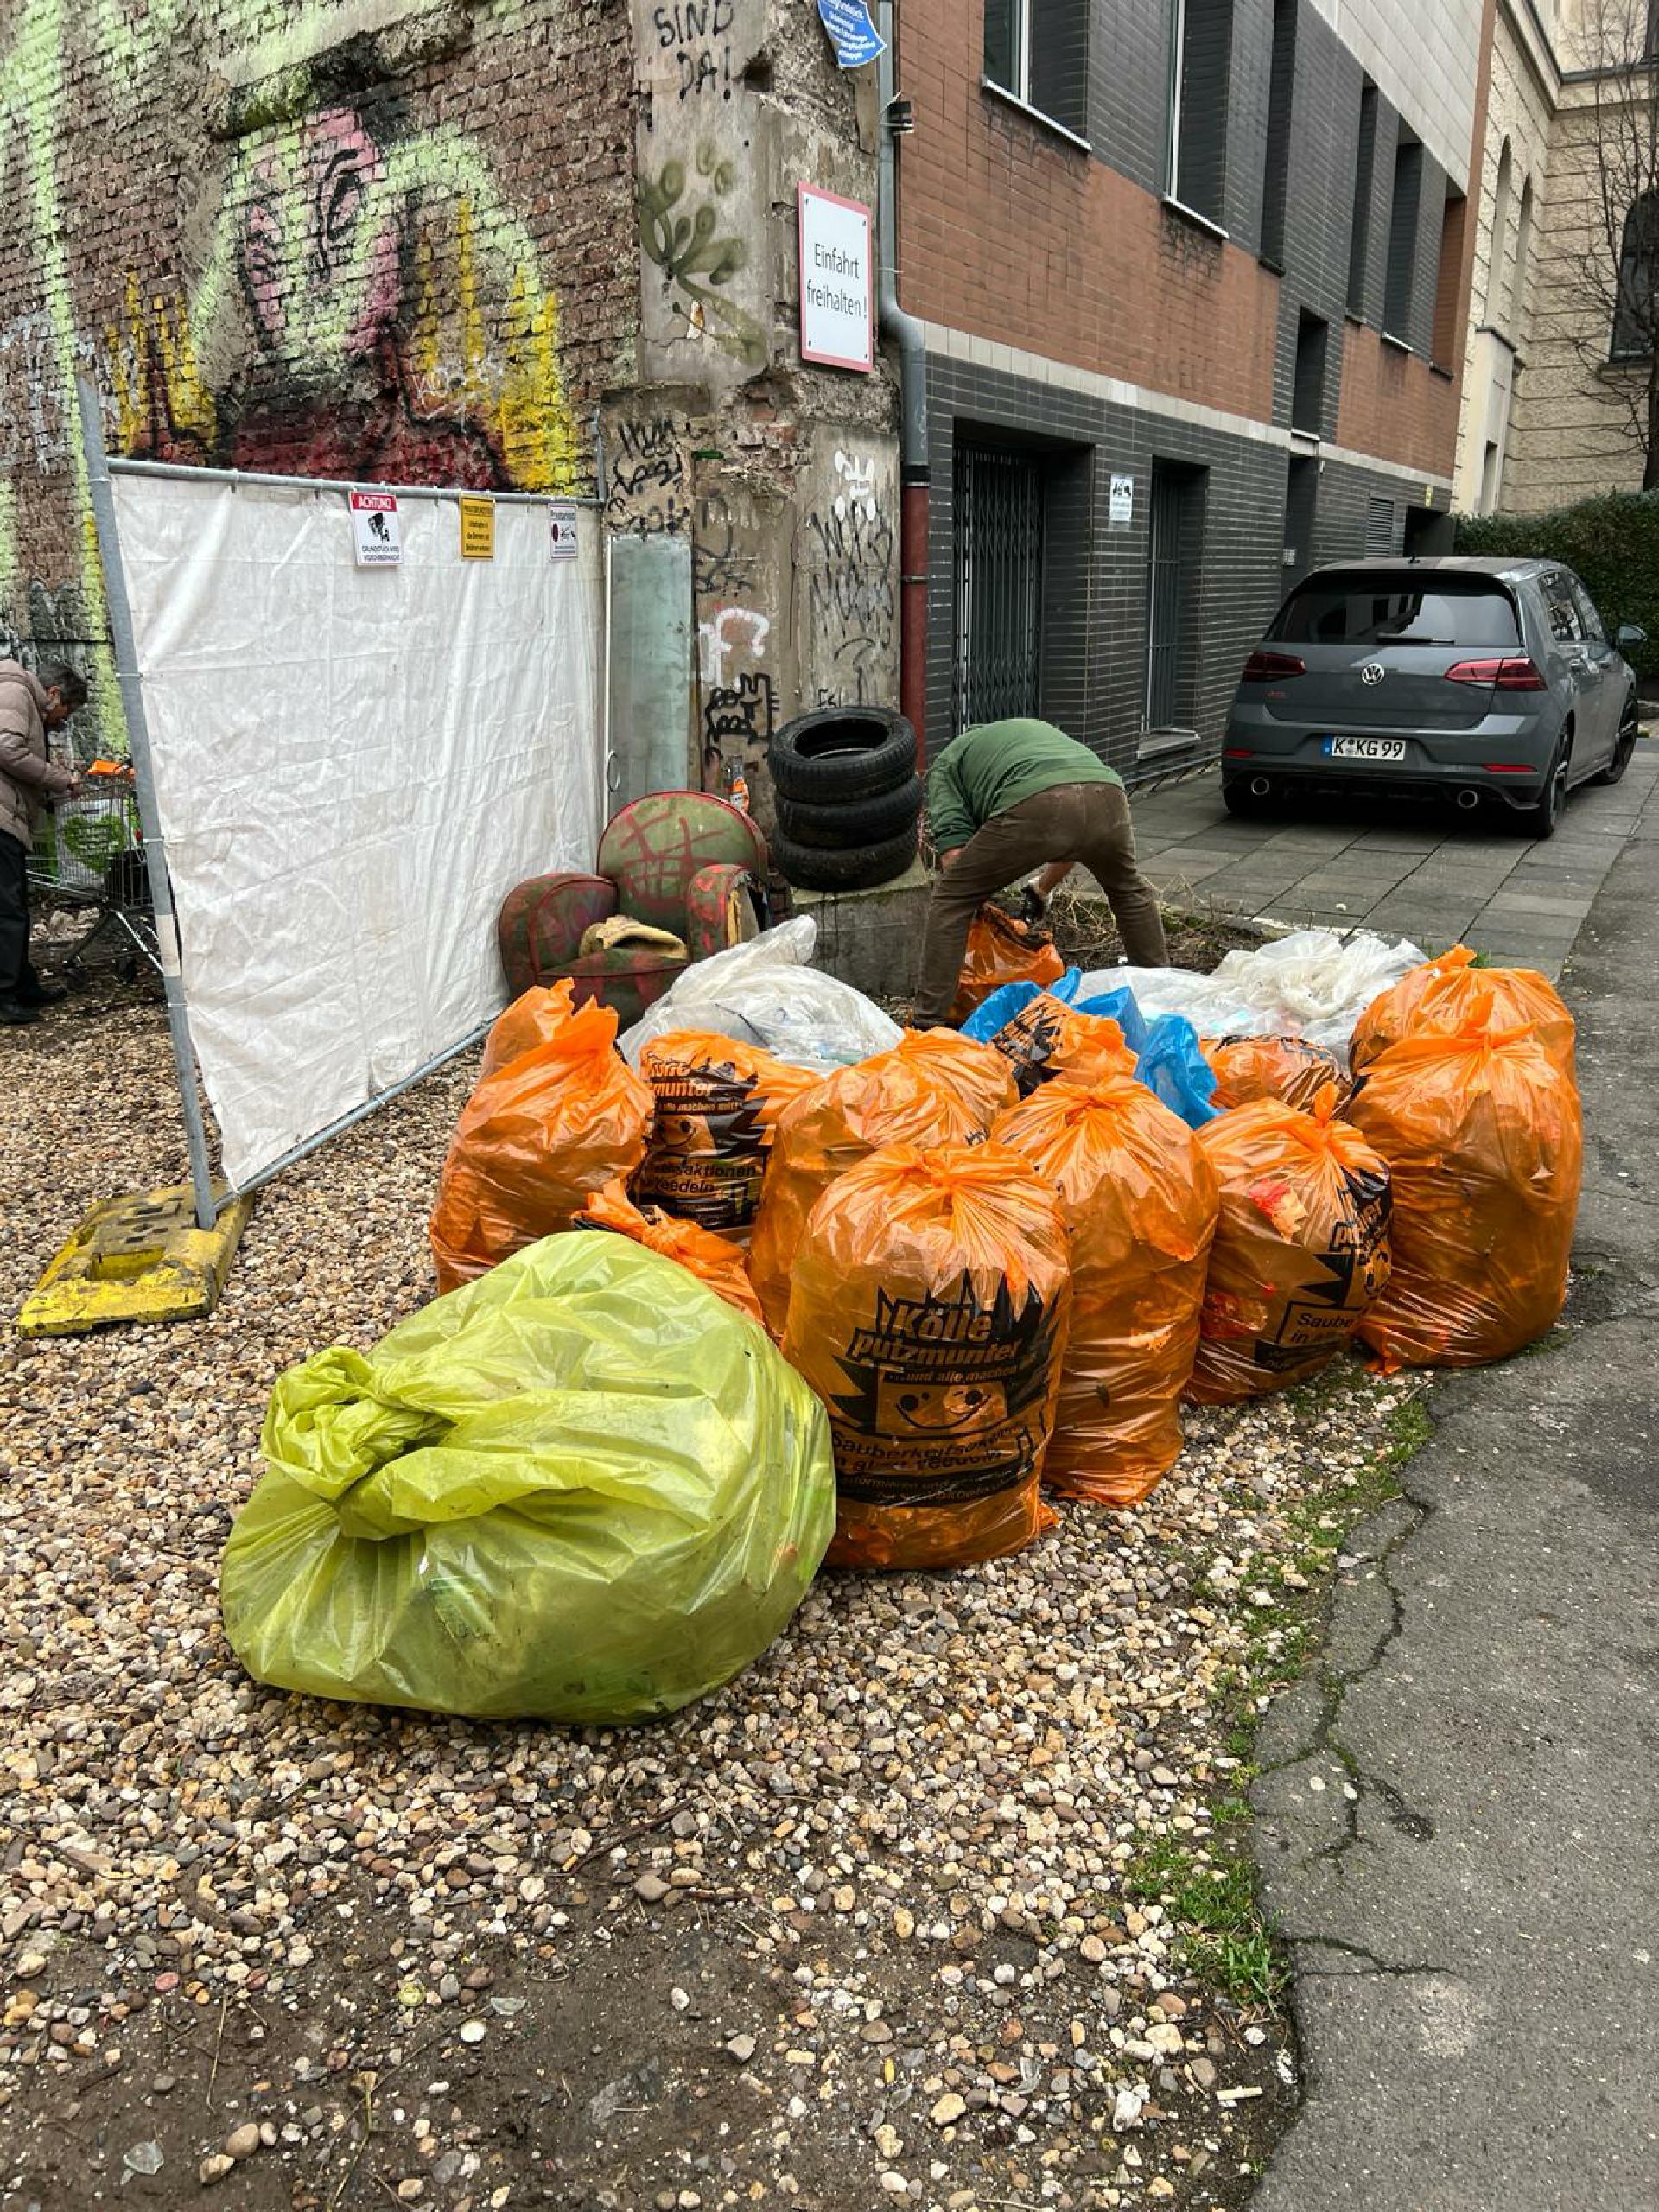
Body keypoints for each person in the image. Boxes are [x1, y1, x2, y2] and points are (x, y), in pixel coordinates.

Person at [912, 715, 1168, 1027]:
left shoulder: (948, 761)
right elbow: (1071, 839)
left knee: (951, 899)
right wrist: (1042, 888)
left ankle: (927, 1024)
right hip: (1108, 794)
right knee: (1129, 893)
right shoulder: (1030, 735)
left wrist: (976, 900)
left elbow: (954, 857)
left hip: (1037, 801)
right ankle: (1162, 1000)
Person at [0, 658, 85, 1027]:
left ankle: (22, 985)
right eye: (67, 710)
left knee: (14, 905)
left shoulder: (19, 695)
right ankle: (6, 995)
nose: (63, 721)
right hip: (2, 817)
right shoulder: (15, 691)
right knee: (8, 909)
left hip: (9, 813)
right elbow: (7, 749)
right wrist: (59, 778)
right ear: (54, 694)